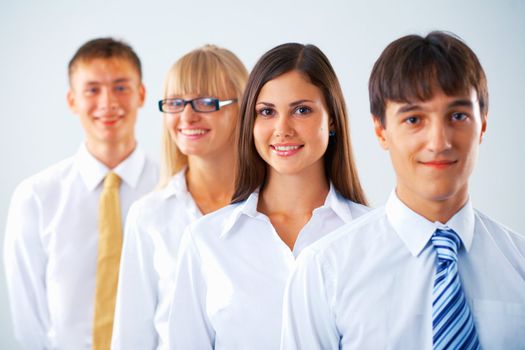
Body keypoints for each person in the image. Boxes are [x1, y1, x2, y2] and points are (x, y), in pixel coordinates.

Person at [281, 31, 525, 349]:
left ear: (483, 125)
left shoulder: (519, 264)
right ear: (381, 131)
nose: (439, 142)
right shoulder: (324, 270)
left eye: (458, 116)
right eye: (414, 119)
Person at [167, 43, 369, 350]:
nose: (282, 128)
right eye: (267, 112)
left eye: (302, 110)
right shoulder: (206, 240)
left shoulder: (371, 237)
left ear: (331, 120)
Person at [3, 38, 158, 349]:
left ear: (141, 94)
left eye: (120, 87)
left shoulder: (172, 188)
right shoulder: (35, 197)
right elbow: (28, 318)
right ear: (72, 100)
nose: (107, 102)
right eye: (92, 89)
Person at [111, 45, 248, 349]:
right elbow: (131, 336)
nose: (187, 116)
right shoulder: (148, 215)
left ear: (243, 108)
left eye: (204, 102)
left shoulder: (270, 208)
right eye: (175, 103)